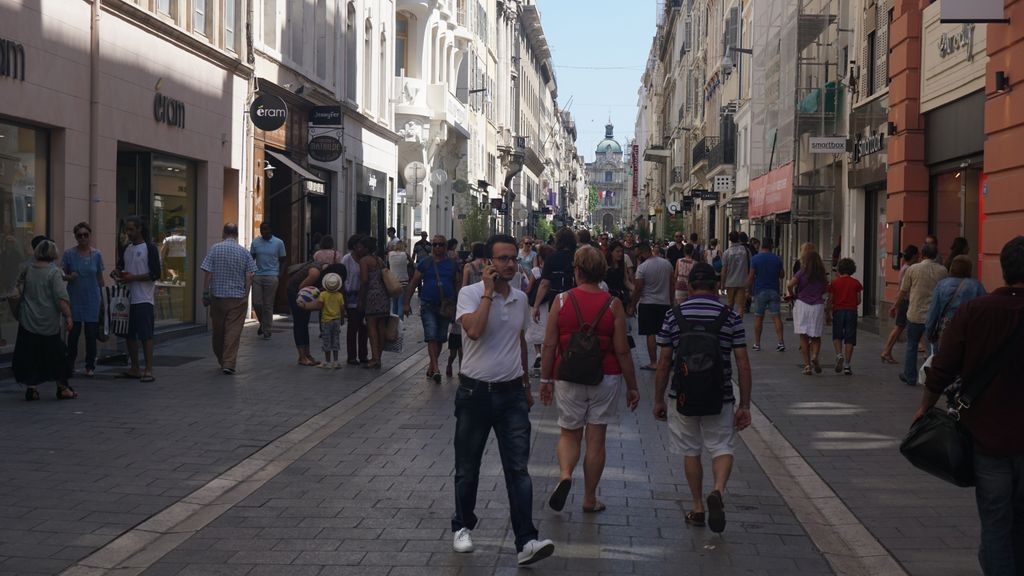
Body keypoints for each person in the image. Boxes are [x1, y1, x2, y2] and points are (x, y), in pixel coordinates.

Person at [915, 236, 1024, 576]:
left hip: (987, 437)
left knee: (995, 522)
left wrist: (924, 408)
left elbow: (941, 368)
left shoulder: (975, 311)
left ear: (1003, 270)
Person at [450, 234, 554, 566]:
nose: (510, 264)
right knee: (468, 468)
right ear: (489, 263)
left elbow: (520, 343)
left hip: (511, 395)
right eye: (503, 259)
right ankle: (463, 526)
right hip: (474, 393)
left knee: (518, 469)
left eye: (513, 259)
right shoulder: (469, 295)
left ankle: (526, 541)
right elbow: (475, 331)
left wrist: (525, 384)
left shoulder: (521, 300)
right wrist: (487, 293)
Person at [539, 246, 640, 514]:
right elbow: (622, 350)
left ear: (577, 271)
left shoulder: (561, 301)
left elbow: (549, 345)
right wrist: (632, 386)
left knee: (569, 433)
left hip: (568, 374)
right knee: (596, 439)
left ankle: (564, 475)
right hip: (605, 376)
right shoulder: (613, 303)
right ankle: (589, 498)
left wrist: (546, 380)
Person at [653, 262, 752, 533]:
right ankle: (717, 491)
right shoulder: (730, 316)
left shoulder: (674, 315)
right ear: (715, 284)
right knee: (721, 446)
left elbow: (663, 362)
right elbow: (743, 363)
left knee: (690, 450)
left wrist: (659, 398)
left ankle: (697, 507)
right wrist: (744, 404)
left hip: (682, 394)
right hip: (720, 394)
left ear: (691, 286)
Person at [13, 239, 76, 401]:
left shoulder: (27, 269)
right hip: (48, 321)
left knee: (30, 355)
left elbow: (18, 290)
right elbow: (61, 298)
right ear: (53, 254)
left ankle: (32, 388)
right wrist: (68, 316)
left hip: (28, 319)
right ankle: (62, 387)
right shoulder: (53, 272)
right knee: (56, 354)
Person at [200, 223, 257, 375]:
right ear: (237, 234)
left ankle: (221, 359)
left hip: (218, 297)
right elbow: (250, 275)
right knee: (233, 331)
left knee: (218, 331)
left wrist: (205, 294)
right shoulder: (244, 252)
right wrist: (246, 294)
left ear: (224, 233)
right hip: (238, 298)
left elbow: (208, 273)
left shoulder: (215, 249)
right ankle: (229, 362)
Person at [405, 234, 461, 382]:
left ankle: (432, 365)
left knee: (441, 338)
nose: (437, 247)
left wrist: (459, 306)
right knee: (431, 336)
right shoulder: (425, 262)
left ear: (446, 247)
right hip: (428, 304)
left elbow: (458, 285)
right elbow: (414, 282)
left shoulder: (452, 264)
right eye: (434, 244)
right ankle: (436, 368)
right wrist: (406, 302)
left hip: (446, 306)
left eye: (440, 244)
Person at [113, 216, 161, 383]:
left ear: (140, 229)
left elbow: (155, 274)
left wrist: (133, 278)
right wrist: (117, 273)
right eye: (127, 229)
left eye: (131, 229)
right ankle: (135, 368)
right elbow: (120, 266)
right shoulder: (126, 248)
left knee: (145, 335)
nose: (128, 232)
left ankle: (148, 369)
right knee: (129, 334)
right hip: (127, 298)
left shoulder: (150, 248)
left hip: (143, 298)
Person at [898, 242, 947, 385]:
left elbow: (903, 290)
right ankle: (935, 376)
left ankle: (910, 376)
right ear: (935, 255)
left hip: (915, 313)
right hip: (933, 315)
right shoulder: (943, 271)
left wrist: (896, 305)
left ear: (922, 254)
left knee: (912, 345)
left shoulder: (913, 269)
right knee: (934, 347)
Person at [62, 222, 105, 377]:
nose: (83, 238)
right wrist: (69, 277)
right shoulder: (69, 254)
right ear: (75, 237)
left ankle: (90, 366)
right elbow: (61, 275)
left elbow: (100, 278)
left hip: (92, 299)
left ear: (89, 236)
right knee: (73, 335)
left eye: (85, 235)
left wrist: (103, 300)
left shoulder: (97, 255)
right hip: (74, 299)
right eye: (79, 235)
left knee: (91, 335)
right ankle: (70, 365)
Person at [925, 255, 987, 352]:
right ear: (969, 269)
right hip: (969, 332)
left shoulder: (942, 285)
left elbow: (933, 312)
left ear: (952, 268)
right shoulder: (976, 286)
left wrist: (930, 333)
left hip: (947, 332)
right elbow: (984, 311)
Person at [632, 242, 674, 371]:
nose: (638, 257)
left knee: (650, 333)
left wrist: (632, 304)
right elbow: (672, 284)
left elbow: (638, 288)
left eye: (638, 255)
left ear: (642, 253)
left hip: (647, 304)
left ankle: (654, 362)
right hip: (664, 303)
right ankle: (665, 361)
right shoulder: (666, 264)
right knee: (667, 334)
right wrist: (672, 302)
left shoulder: (642, 268)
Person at [787, 246, 827, 376]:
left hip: (802, 304)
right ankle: (815, 355)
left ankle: (807, 365)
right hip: (817, 306)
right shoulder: (822, 273)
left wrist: (791, 293)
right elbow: (825, 288)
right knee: (816, 336)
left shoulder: (802, 272)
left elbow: (789, 284)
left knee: (803, 336)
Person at [881, 244, 919, 364]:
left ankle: (887, 351)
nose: (919, 257)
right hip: (905, 301)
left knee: (899, 327)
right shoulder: (908, 269)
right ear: (914, 256)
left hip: (903, 300)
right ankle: (886, 351)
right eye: (917, 254)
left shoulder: (905, 267)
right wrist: (895, 305)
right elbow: (904, 288)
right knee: (899, 327)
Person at [532, 227, 577, 323]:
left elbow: (544, 283)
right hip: (576, 301)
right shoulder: (578, 256)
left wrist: (536, 306)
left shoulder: (552, 257)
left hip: (557, 301)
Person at [748, 237, 785, 352]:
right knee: (776, 317)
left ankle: (757, 343)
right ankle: (780, 342)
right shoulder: (777, 259)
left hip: (760, 291)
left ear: (761, 246)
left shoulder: (755, 259)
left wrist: (747, 290)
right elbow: (782, 275)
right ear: (771, 246)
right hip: (774, 290)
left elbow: (751, 276)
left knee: (759, 317)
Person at [250, 222, 286, 340]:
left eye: (265, 229)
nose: (263, 232)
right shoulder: (255, 242)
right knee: (257, 303)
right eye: (261, 230)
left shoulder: (279, 243)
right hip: (258, 276)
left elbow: (283, 260)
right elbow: (251, 259)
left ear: (270, 230)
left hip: (272, 275)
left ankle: (267, 330)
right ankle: (263, 324)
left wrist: (279, 275)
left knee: (268, 305)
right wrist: (251, 273)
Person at [826, 258, 862, 376]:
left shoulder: (834, 283)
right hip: (851, 312)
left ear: (839, 269)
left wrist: (828, 311)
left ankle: (839, 354)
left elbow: (830, 299)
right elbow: (858, 300)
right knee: (850, 338)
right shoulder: (856, 283)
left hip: (838, 311)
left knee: (837, 335)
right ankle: (847, 365)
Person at [358, 236, 389, 370]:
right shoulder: (380, 260)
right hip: (383, 295)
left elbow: (364, 280)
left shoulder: (364, 261)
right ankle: (379, 357)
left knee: (371, 327)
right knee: (381, 327)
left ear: (365, 248)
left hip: (372, 295)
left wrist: (361, 299)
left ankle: (374, 358)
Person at [287, 259, 322, 366]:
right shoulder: (315, 272)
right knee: (299, 323)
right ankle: (302, 357)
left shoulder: (320, 272)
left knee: (304, 323)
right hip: (296, 292)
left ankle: (307, 354)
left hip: (303, 293)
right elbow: (302, 288)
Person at [526, 244, 555, 373]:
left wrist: (526, 294)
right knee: (547, 328)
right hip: (549, 303)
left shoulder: (536, 271)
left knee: (536, 328)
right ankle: (546, 353)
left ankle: (538, 353)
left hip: (537, 303)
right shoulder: (553, 270)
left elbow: (530, 287)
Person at [341, 234, 368, 365]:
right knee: (353, 327)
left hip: (365, 297)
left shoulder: (366, 259)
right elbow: (342, 277)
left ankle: (363, 355)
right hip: (351, 297)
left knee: (364, 328)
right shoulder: (347, 259)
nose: (360, 248)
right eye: (358, 245)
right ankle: (351, 356)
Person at [308, 272, 345, 369]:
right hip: (336, 321)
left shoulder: (323, 294)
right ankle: (336, 361)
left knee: (327, 341)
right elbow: (342, 308)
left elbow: (320, 306)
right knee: (336, 340)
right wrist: (342, 319)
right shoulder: (339, 295)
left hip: (326, 321)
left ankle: (327, 362)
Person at [720, 231, 751, 319]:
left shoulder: (727, 253)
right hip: (742, 281)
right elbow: (750, 265)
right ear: (738, 239)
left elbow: (724, 270)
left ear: (730, 240)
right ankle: (739, 322)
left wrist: (722, 284)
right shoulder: (745, 250)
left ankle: (729, 321)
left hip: (730, 282)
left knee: (730, 304)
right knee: (740, 305)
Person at [388, 239, 411, 318]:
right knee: (401, 303)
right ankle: (400, 322)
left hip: (393, 282)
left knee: (394, 304)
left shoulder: (390, 254)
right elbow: (411, 262)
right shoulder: (405, 255)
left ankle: (394, 322)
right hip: (403, 281)